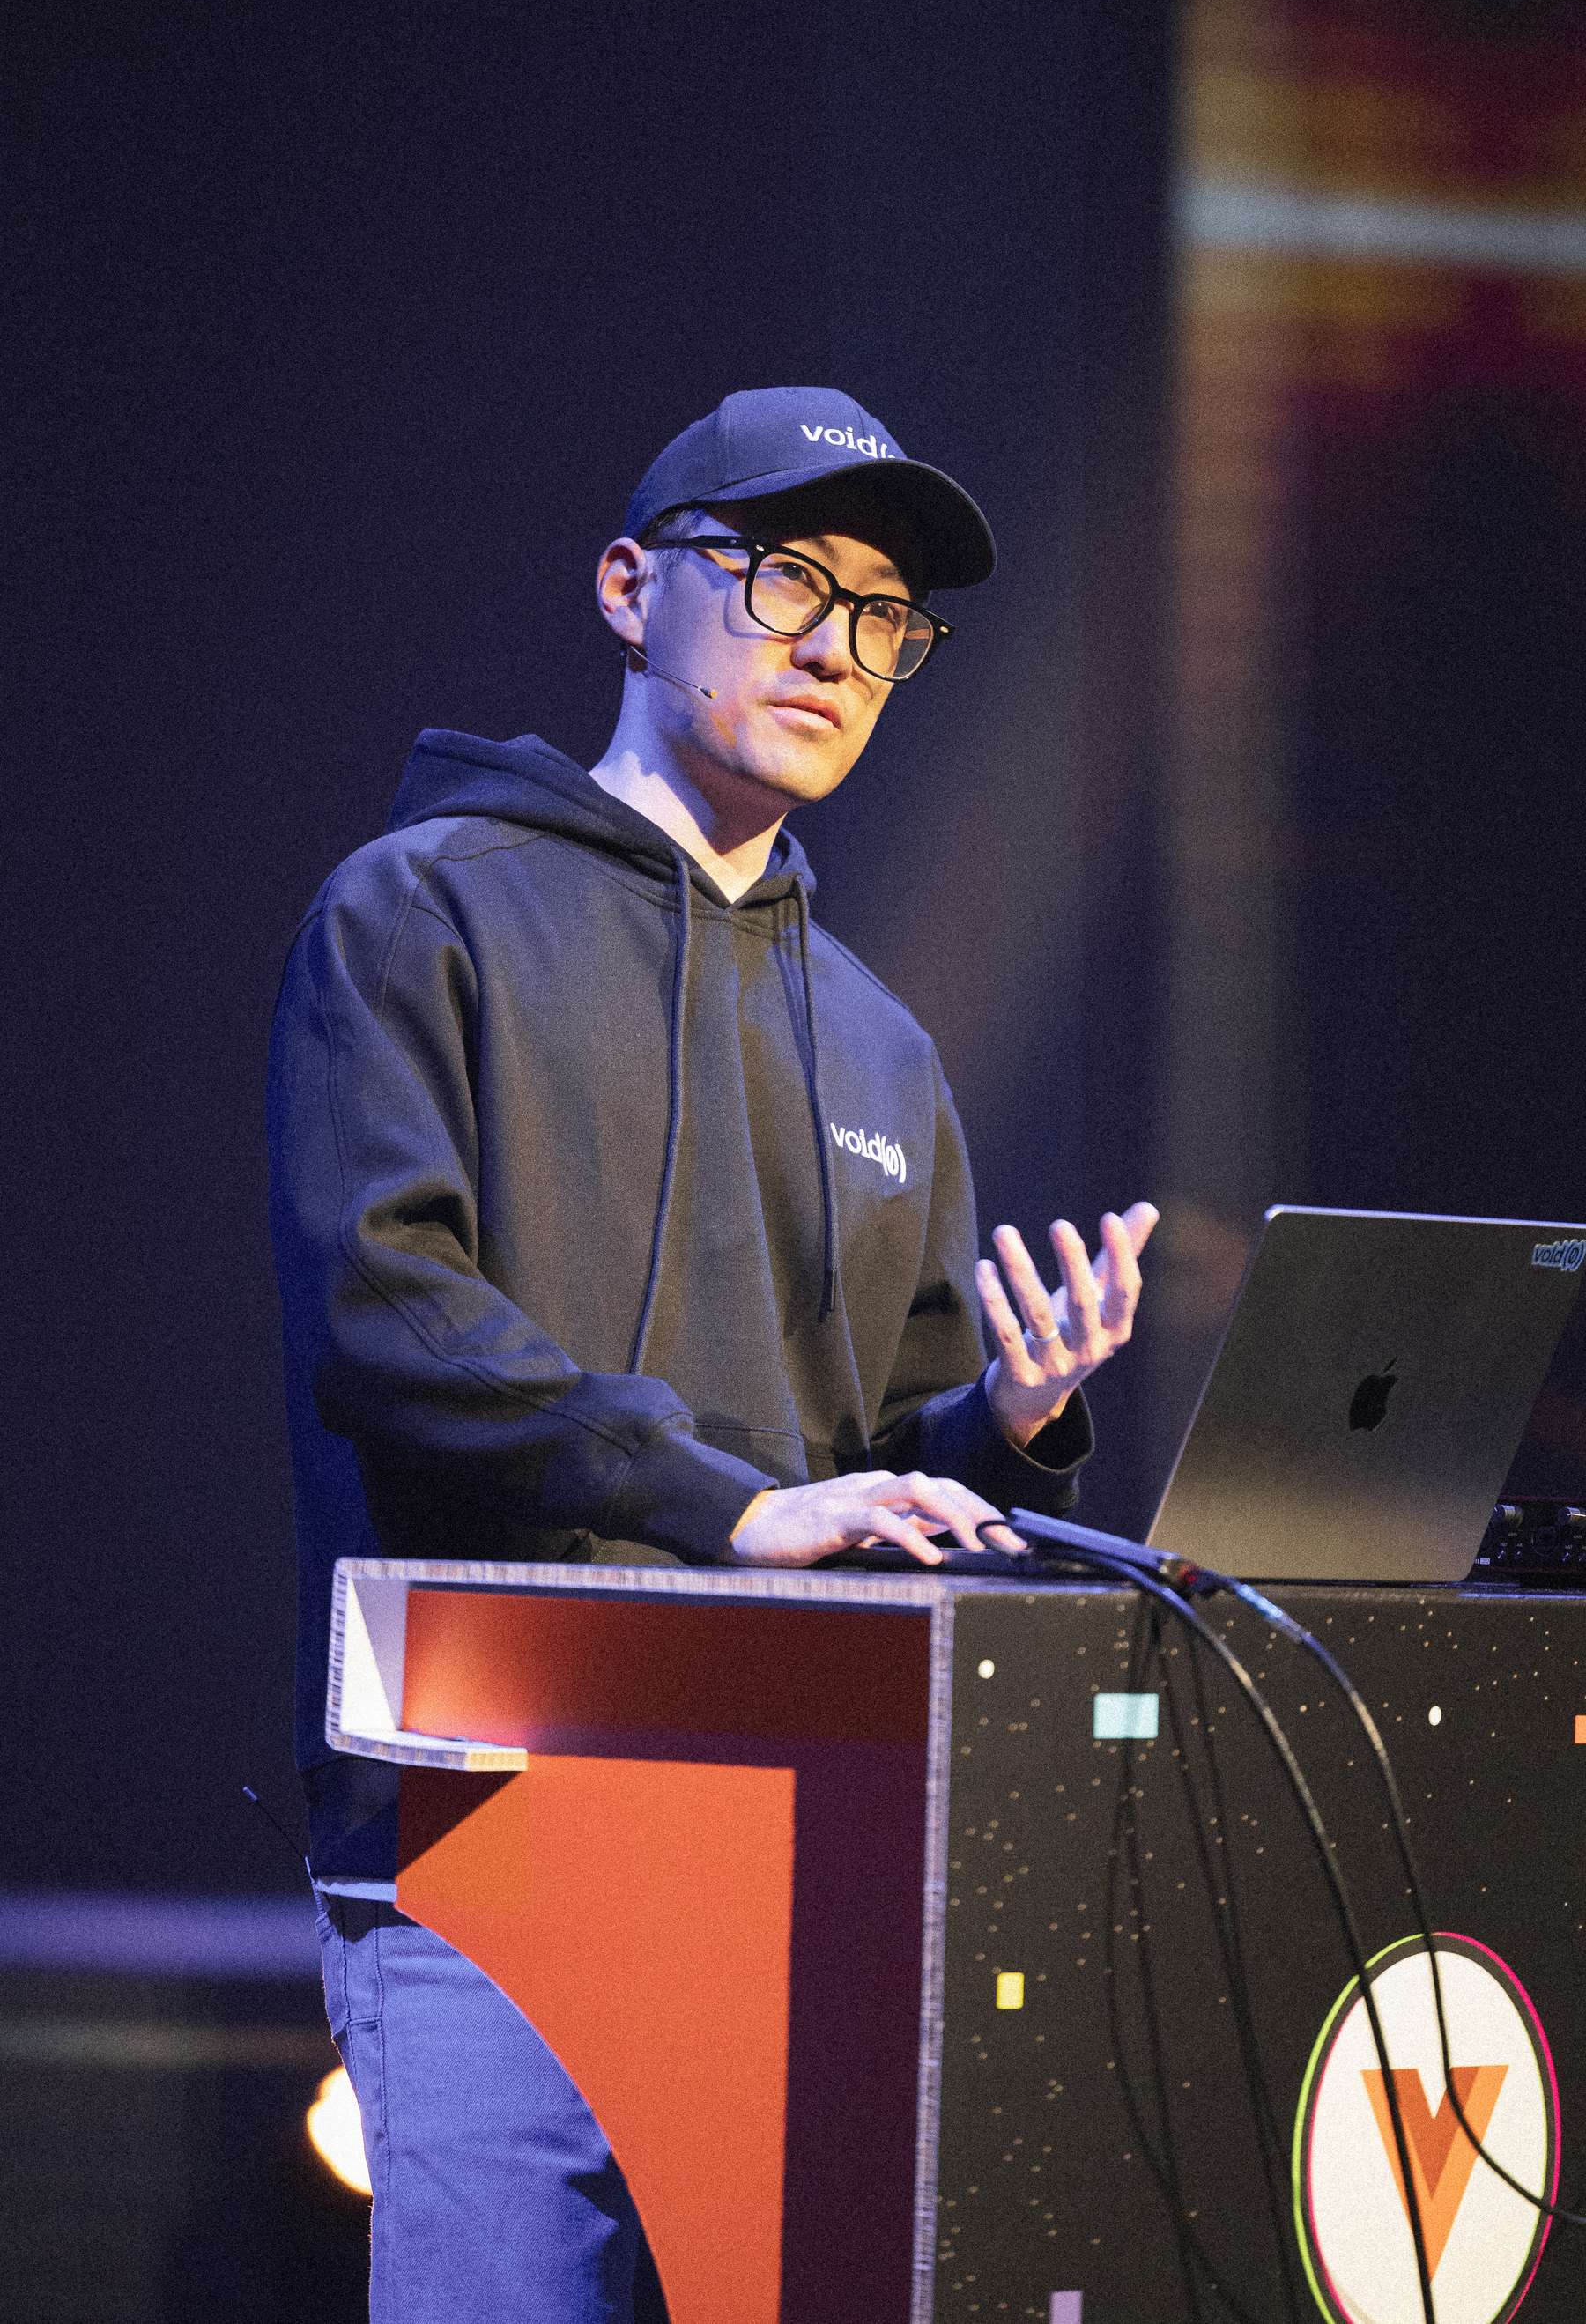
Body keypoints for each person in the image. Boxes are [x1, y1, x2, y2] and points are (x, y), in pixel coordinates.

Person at [268, 383, 1157, 2321]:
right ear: (626, 588)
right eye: (780, 579)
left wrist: (1012, 1424)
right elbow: (389, 1318)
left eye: (888, 616)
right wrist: (732, 1513)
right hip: (487, 1816)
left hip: (802, 1834)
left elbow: (873, 1459)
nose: (839, 645)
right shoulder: (417, 913)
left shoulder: (885, 1046)